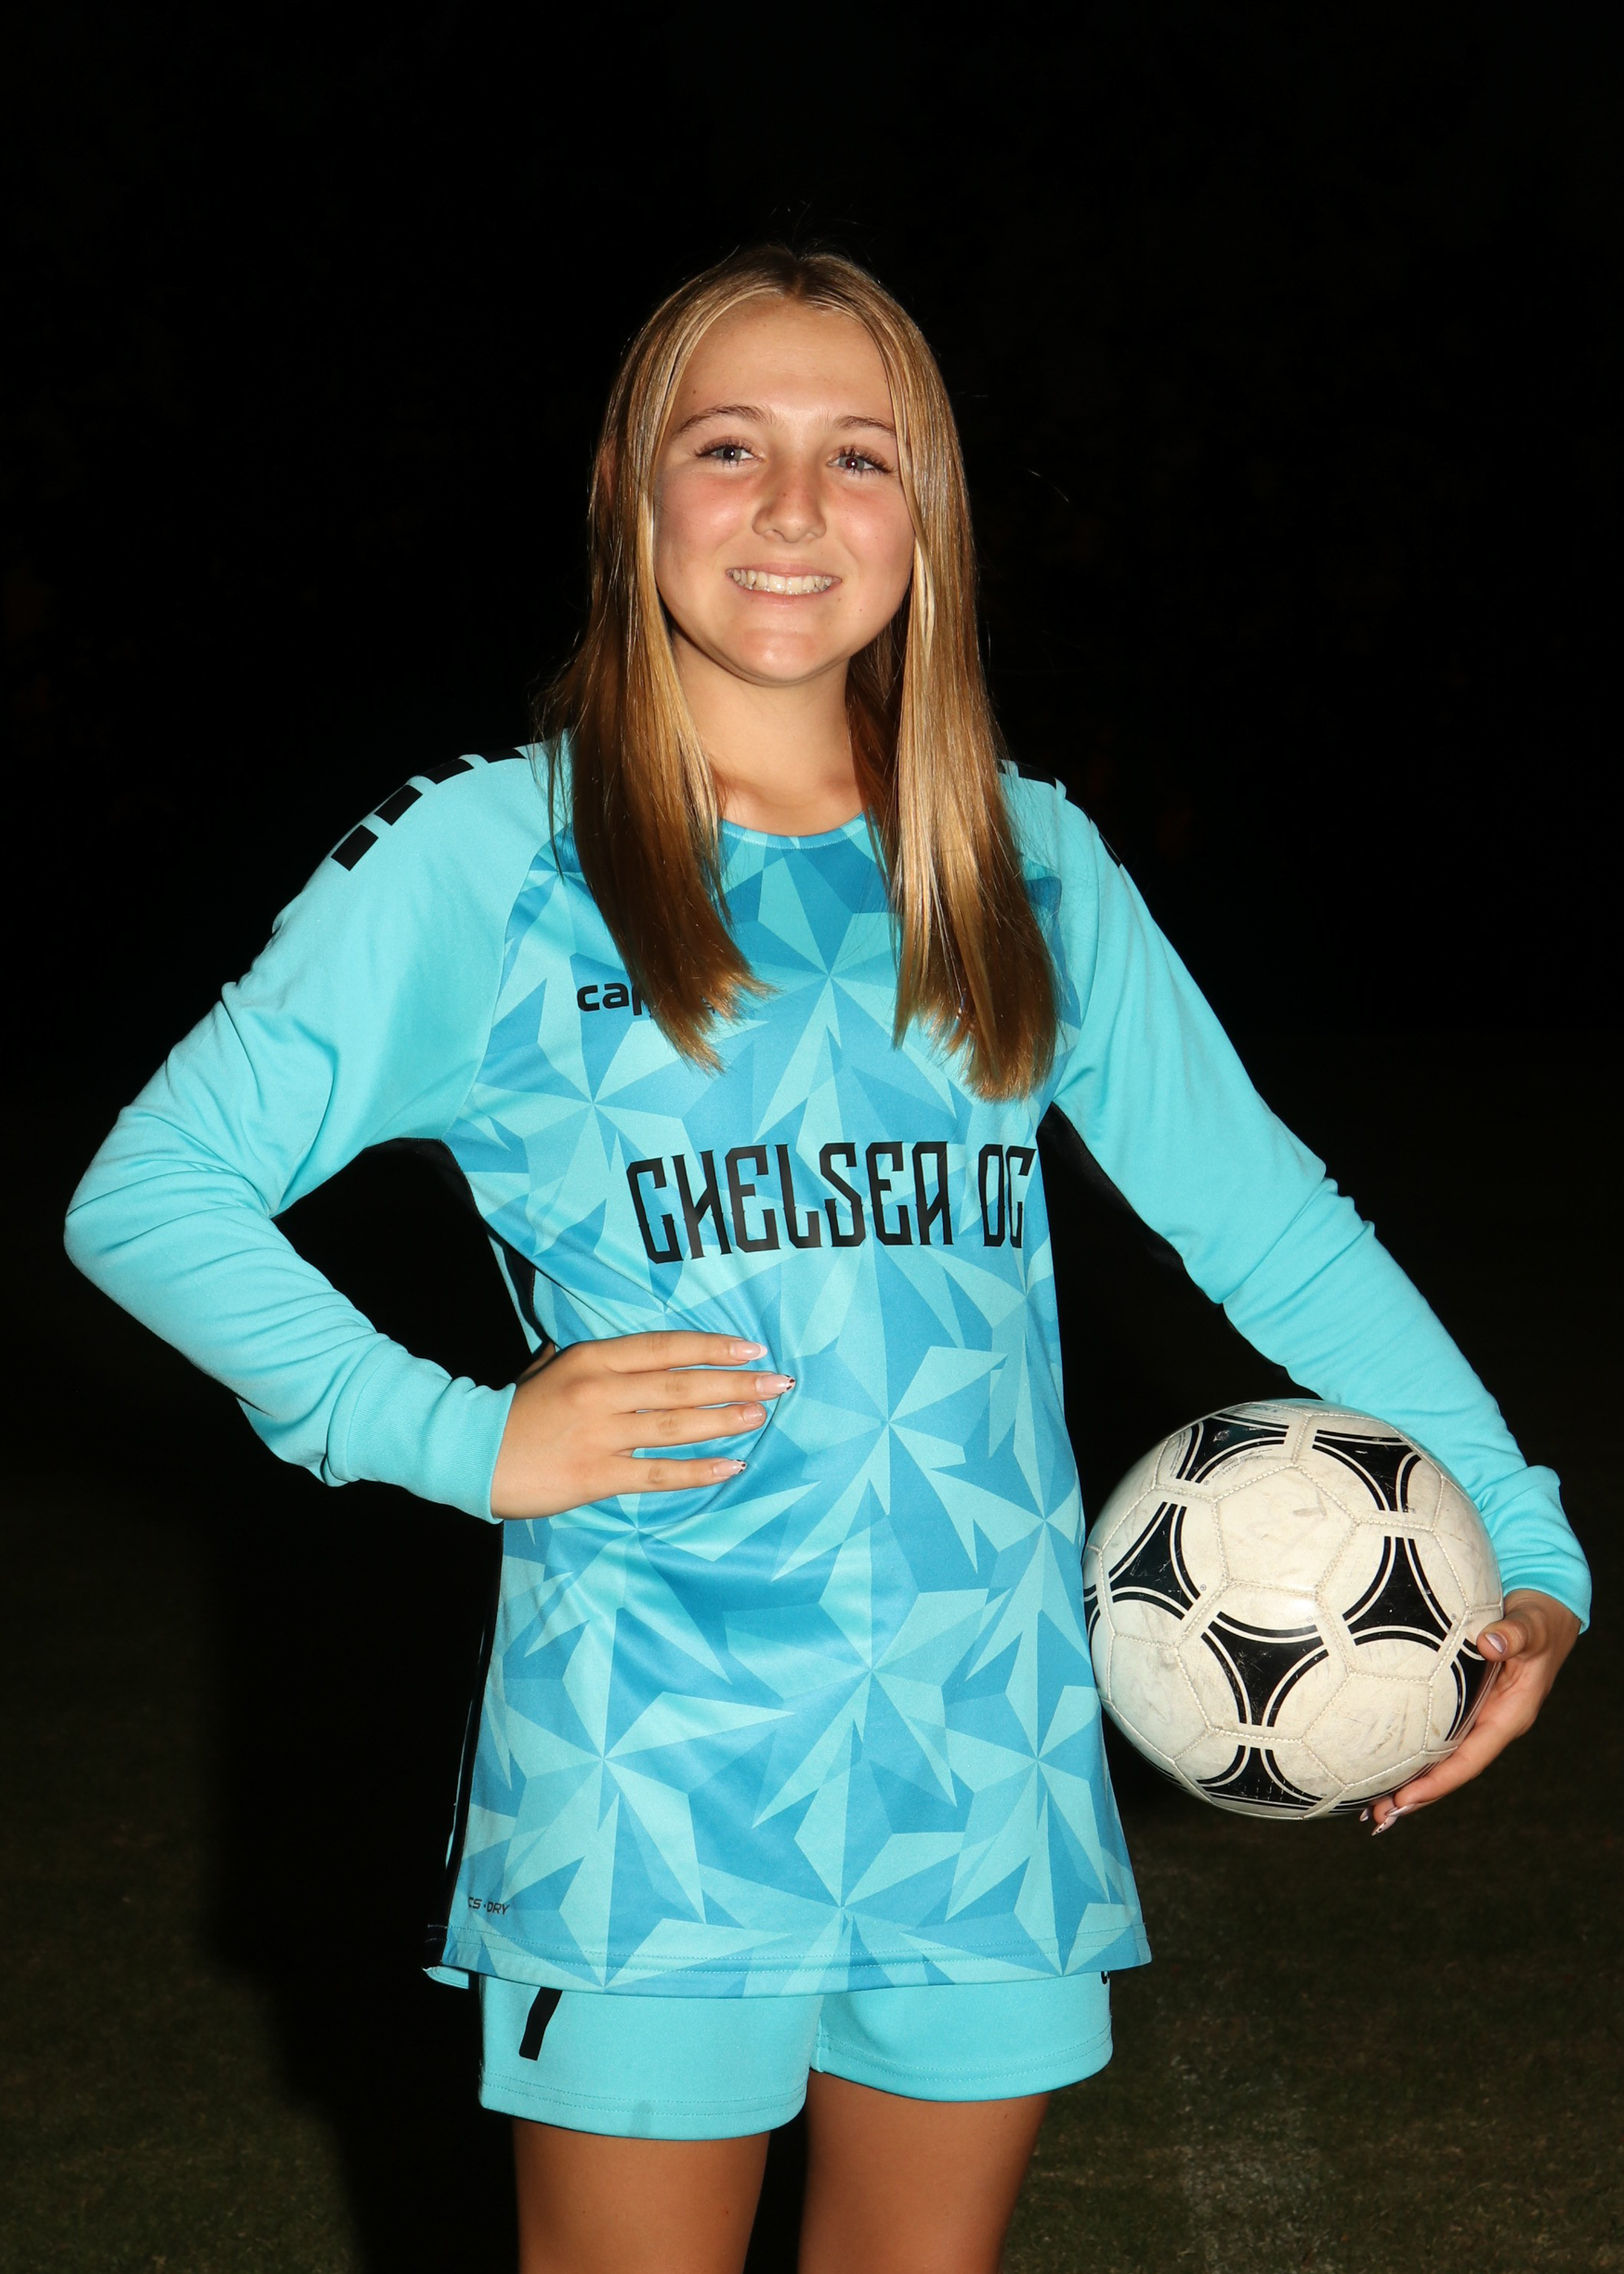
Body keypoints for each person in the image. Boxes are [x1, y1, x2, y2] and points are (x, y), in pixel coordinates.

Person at [64, 246, 1589, 2274]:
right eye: (729, 446)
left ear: (925, 512)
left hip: (986, 1746)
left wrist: (1522, 1541)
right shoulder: (490, 857)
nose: (793, 507)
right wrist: (449, 1431)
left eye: (858, 455)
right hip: (652, 1760)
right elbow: (151, 1191)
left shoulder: (1024, 860)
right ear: (630, 492)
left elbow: (1273, 1225)